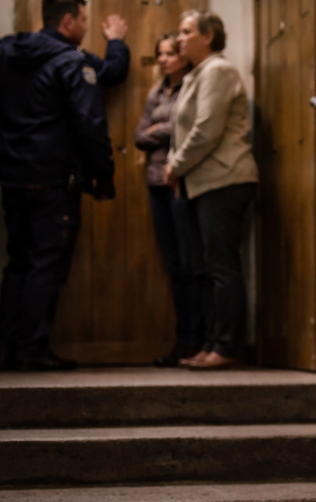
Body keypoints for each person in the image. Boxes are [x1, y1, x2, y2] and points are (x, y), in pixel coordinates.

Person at [0, 0, 129, 371]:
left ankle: (5, 348)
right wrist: (104, 177)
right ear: (67, 21)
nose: (84, 26)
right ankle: (31, 350)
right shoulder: (71, 62)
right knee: (45, 266)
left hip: (12, 179)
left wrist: (28, 40)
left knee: (18, 263)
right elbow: (92, 124)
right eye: (83, 20)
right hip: (51, 182)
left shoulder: (12, 52)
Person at [165, 10, 258, 370]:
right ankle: (213, 343)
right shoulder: (198, 74)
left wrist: (175, 164)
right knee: (210, 266)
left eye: (186, 32)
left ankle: (228, 345)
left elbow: (206, 128)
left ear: (209, 36)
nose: (179, 38)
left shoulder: (218, 70)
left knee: (222, 266)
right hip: (205, 182)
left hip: (226, 180)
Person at [133, 32, 204, 367]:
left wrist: (158, 129)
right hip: (155, 183)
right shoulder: (156, 92)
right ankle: (183, 343)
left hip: (183, 181)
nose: (162, 59)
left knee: (191, 265)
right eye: (159, 54)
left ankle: (196, 341)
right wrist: (166, 127)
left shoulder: (194, 84)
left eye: (169, 53)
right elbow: (138, 137)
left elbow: (185, 128)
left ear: (183, 56)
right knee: (175, 266)